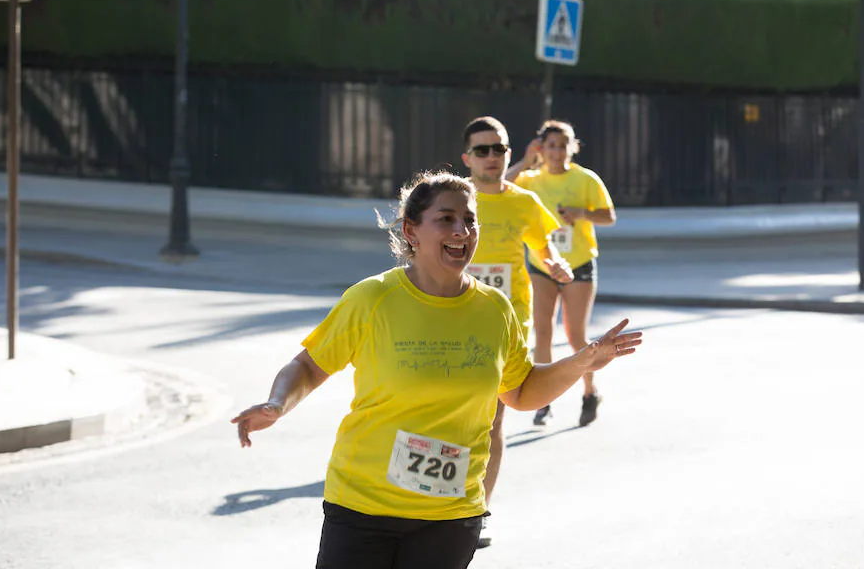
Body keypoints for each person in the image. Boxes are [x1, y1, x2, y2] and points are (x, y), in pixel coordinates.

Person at [231, 170, 641, 569]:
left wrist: (581, 361)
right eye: (446, 219)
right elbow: (306, 366)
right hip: (362, 505)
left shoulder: (494, 309)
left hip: (451, 513)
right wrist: (276, 404)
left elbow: (521, 392)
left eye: (469, 220)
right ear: (412, 231)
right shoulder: (373, 298)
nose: (462, 231)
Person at [459, 116, 573, 548]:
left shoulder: (524, 202)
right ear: (467, 157)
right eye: (483, 150)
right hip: (451, 319)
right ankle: (437, 507)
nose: (492, 157)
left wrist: (555, 265)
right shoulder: (454, 199)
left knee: (494, 417)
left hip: (507, 322)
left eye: (499, 150)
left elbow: (544, 249)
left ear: (510, 154)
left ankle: (477, 515)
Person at [506, 120, 617, 428]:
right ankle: (543, 402)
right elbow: (496, 187)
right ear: (542, 148)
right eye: (551, 145)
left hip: (578, 262)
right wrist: (525, 160)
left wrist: (581, 213)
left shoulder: (586, 179)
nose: (556, 152)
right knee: (542, 332)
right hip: (542, 265)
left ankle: (589, 392)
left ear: (572, 148)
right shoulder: (529, 179)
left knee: (576, 336)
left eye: (562, 145)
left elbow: (609, 216)